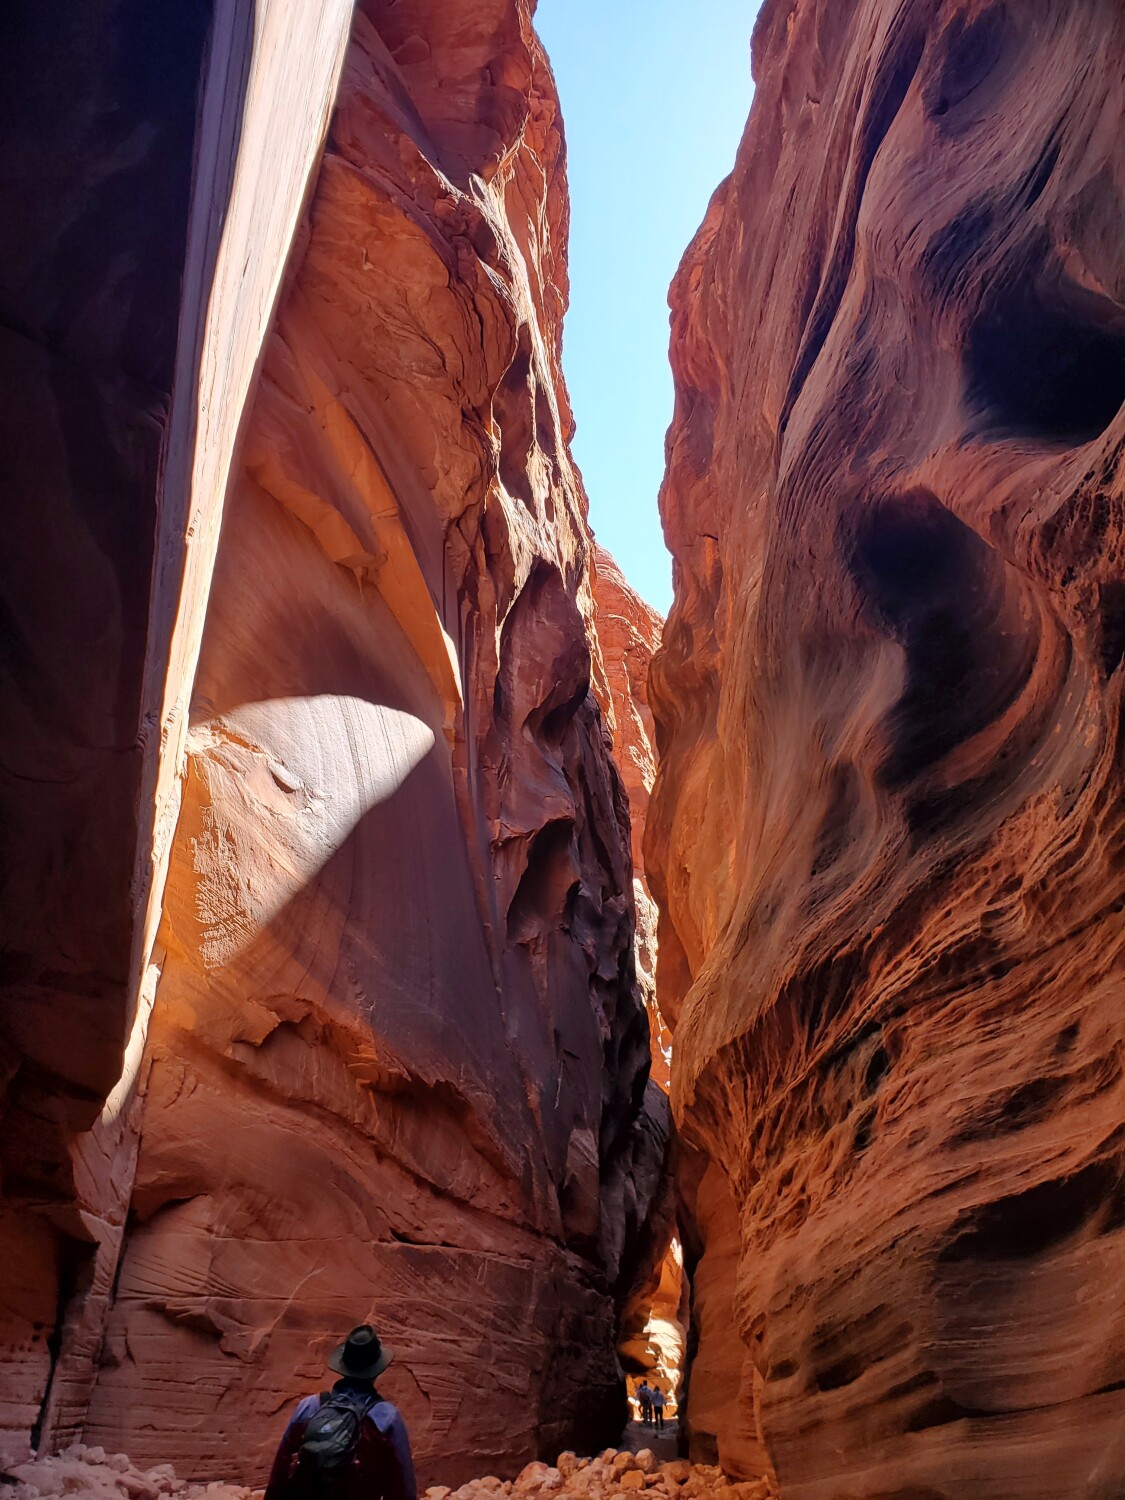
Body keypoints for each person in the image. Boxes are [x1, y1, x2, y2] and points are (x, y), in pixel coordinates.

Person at [265, 1324, 416, 1500]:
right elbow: (403, 1488)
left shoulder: (308, 1407)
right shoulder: (387, 1418)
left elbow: (280, 1473)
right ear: (376, 1370)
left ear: (342, 1365)